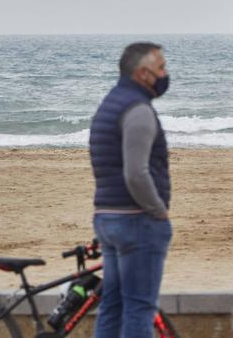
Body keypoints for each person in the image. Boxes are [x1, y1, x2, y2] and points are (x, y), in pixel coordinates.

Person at [89, 42, 173, 338]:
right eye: (160, 68)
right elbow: (136, 173)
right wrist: (158, 212)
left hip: (108, 217)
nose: (165, 74)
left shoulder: (110, 103)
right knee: (139, 308)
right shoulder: (137, 109)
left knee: (112, 306)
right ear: (143, 73)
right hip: (137, 220)